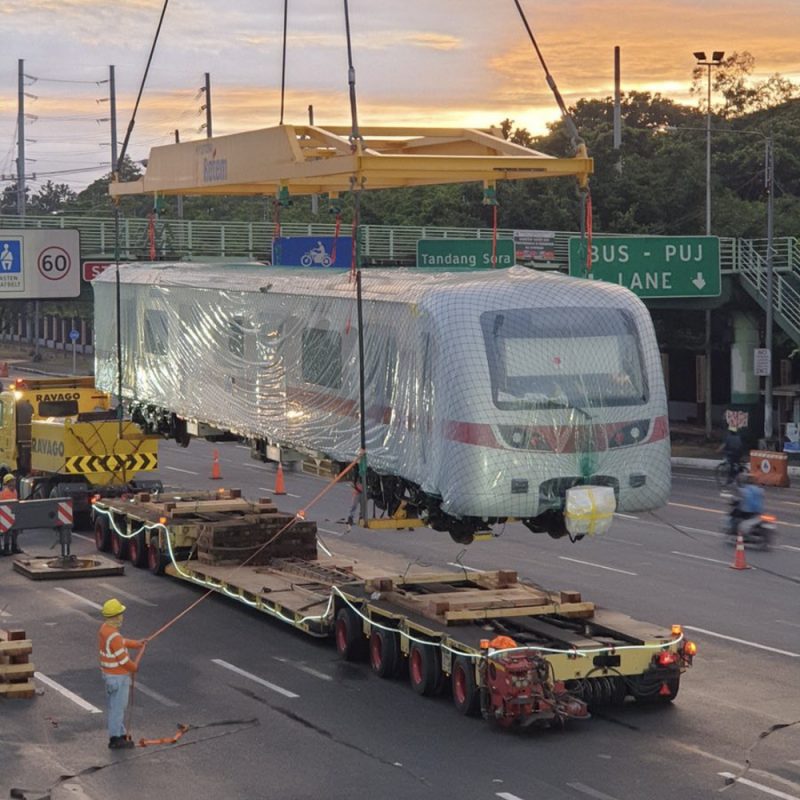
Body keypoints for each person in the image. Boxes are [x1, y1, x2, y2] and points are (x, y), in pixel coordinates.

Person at [98, 599, 146, 749]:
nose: (122, 617)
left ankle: (120, 732)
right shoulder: (114, 636)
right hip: (118, 677)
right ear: (116, 617)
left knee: (115, 707)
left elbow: (122, 641)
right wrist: (134, 667)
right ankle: (115, 738)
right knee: (118, 709)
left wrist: (136, 643)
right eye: (121, 614)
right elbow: (124, 660)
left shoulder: (105, 630)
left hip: (110, 676)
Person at [0, 474, 20, 556]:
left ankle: (14, 547)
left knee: (16, 531)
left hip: (13, 514)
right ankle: (6, 548)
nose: (14, 483)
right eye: (12, 481)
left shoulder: (15, 491)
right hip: (4, 516)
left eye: (14, 481)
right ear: (8, 483)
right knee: (7, 532)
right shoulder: (4, 493)